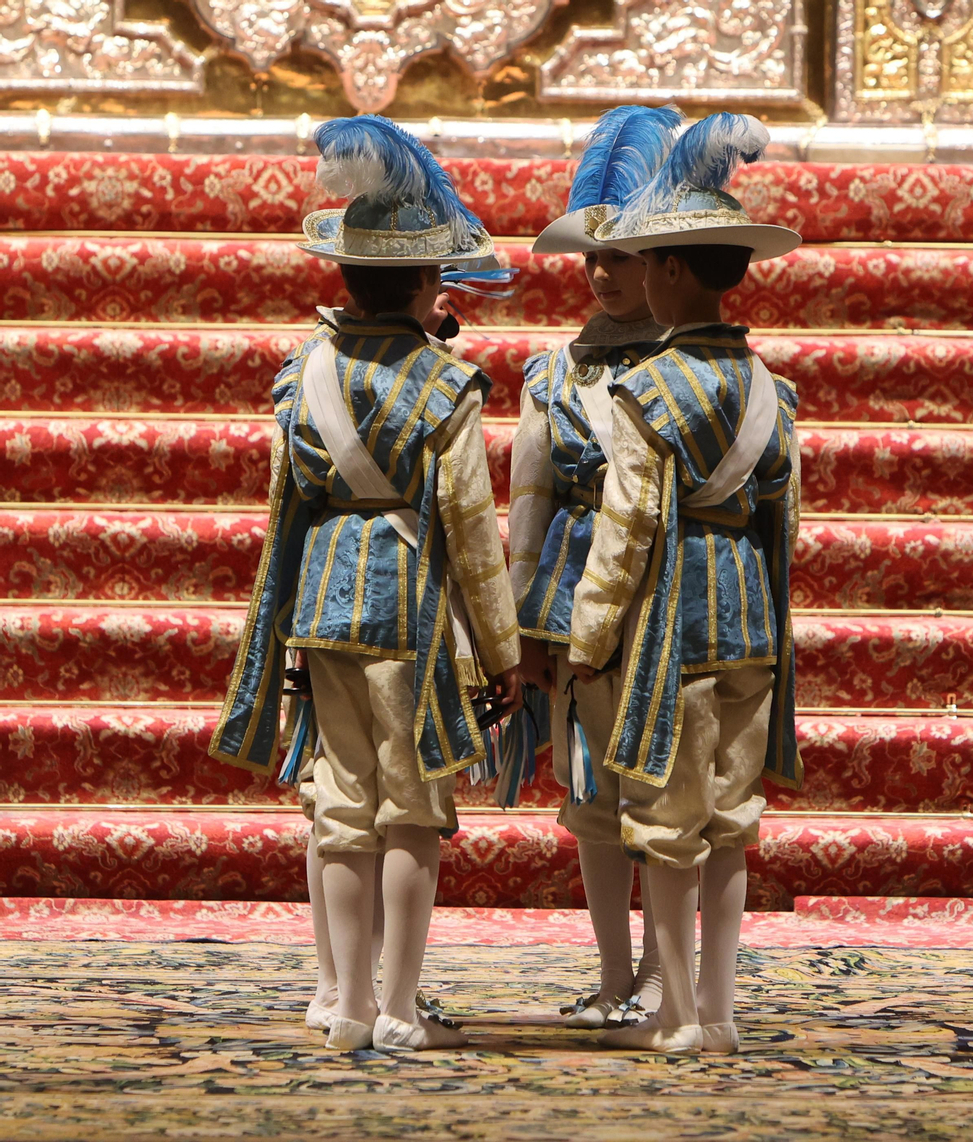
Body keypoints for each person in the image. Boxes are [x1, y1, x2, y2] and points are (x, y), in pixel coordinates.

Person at [210, 114, 523, 1052]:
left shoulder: (300, 373)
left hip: (320, 608)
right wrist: (502, 649)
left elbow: (288, 508)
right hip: (411, 616)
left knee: (339, 806)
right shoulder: (443, 386)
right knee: (412, 811)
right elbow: (469, 531)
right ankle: (396, 1006)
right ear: (428, 284)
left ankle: (342, 1003)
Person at [567, 111, 803, 1054]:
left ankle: (674, 1014)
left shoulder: (648, 389)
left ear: (669, 271)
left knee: (666, 825)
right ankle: (721, 1007)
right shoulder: (770, 389)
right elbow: (783, 517)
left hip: (670, 625)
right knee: (730, 822)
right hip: (750, 616)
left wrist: (587, 639)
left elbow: (625, 531)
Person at [509, 103, 683, 1030]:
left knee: (664, 795)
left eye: (624, 259)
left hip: (664, 605)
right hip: (573, 613)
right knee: (592, 800)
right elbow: (528, 509)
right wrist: (522, 630)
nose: (606, 275)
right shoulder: (552, 373)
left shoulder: (693, 369)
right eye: (595, 259)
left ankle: (666, 975)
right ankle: (615, 973)